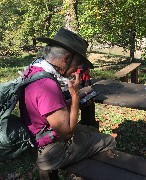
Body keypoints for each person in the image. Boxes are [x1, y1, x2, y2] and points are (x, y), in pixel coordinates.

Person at [19, 28, 116, 172]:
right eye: (77, 65)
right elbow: (66, 133)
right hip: (48, 154)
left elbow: (47, 110)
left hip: (36, 140)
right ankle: (94, 172)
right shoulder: (47, 85)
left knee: (90, 129)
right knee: (109, 140)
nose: (77, 70)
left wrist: (70, 102)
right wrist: (75, 96)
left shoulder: (33, 70)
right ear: (66, 58)